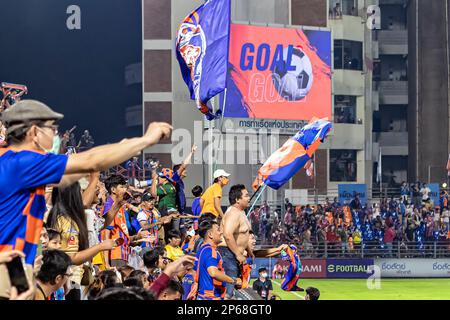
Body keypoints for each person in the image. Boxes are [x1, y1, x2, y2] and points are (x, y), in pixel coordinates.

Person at [0, 99, 171, 298]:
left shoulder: (13, 162)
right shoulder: (24, 162)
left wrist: (122, 147)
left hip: (16, 269)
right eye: (51, 128)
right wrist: (146, 140)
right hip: (7, 271)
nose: (55, 133)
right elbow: (91, 160)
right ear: (34, 132)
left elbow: (81, 169)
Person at [47, 183, 119, 300]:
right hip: (69, 279)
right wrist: (101, 247)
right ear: (72, 196)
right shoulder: (66, 220)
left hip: (67, 279)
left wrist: (118, 204)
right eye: (81, 192)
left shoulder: (59, 215)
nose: (84, 195)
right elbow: (71, 257)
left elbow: (102, 224)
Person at [101, 175, 149, 268]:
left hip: (124, 254)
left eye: (125, 187)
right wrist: (106, 263)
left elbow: (122, 236)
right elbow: (105, 236)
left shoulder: (120, 208)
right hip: (115, 255)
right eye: (121, 187)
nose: (125, 190)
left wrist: (137, 237)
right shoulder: (109, 207)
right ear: (113, 190)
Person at [218, 184, 252, 299]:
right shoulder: (233, 212)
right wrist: (238, 254)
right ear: (237, 199)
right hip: (228, 254)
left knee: (232, 291)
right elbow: (227, 234)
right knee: (227, 293)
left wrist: (249, 251)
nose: (249, 198)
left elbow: (242, 235)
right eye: (246, 195)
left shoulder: (240, 213)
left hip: (232, 255)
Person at [194, 219, 242, 300]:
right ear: (210, 234)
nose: (221, 233)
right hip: (211, 297)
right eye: (218, 230)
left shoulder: (201, 250)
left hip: (202, 295)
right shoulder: (211, 251)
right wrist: (233, 281)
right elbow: (213, 272)